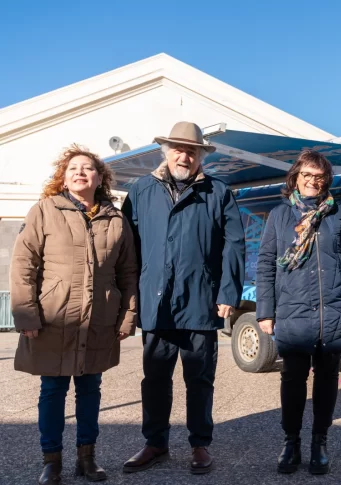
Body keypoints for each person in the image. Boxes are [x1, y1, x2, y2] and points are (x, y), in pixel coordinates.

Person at [121, 122, 246, 475]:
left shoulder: (217, 192)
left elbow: (233, 245)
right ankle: (155, 443)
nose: (184, 155)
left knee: (199, 378)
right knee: (155, 377)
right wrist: (130, 297)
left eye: (191, 150)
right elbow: (127, 246)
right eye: (177, 148)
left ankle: (200, 445)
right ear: (166, 151)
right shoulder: (143, 190)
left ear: (200, 156)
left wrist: (227, 292)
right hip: (156, 302)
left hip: (200, 302)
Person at [11, 145, 138, 484]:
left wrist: (127, 316)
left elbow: (128, 273)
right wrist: (26, 315)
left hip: (99, 321)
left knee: (90, 389)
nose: (80, 172)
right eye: (73, 168)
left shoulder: (116, 218)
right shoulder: (44, 211)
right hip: (54, 319)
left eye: (88, 168)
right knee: (52, 391)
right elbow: (24, 265)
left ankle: (87, 457)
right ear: (63, 177)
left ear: (100, 178)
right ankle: (51, 460)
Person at [256, 150, 341, 475]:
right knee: (293, 379)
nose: (313, 181)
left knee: (327, 379)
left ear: (326, 180)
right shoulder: (279, 216)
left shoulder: (340, 214)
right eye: (306, 175)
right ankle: (291, 441)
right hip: (293, 312)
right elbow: (267, 265)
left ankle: (319, 442)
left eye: (319, 176)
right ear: (295, 178)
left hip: (334, 312)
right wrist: (265, 312)